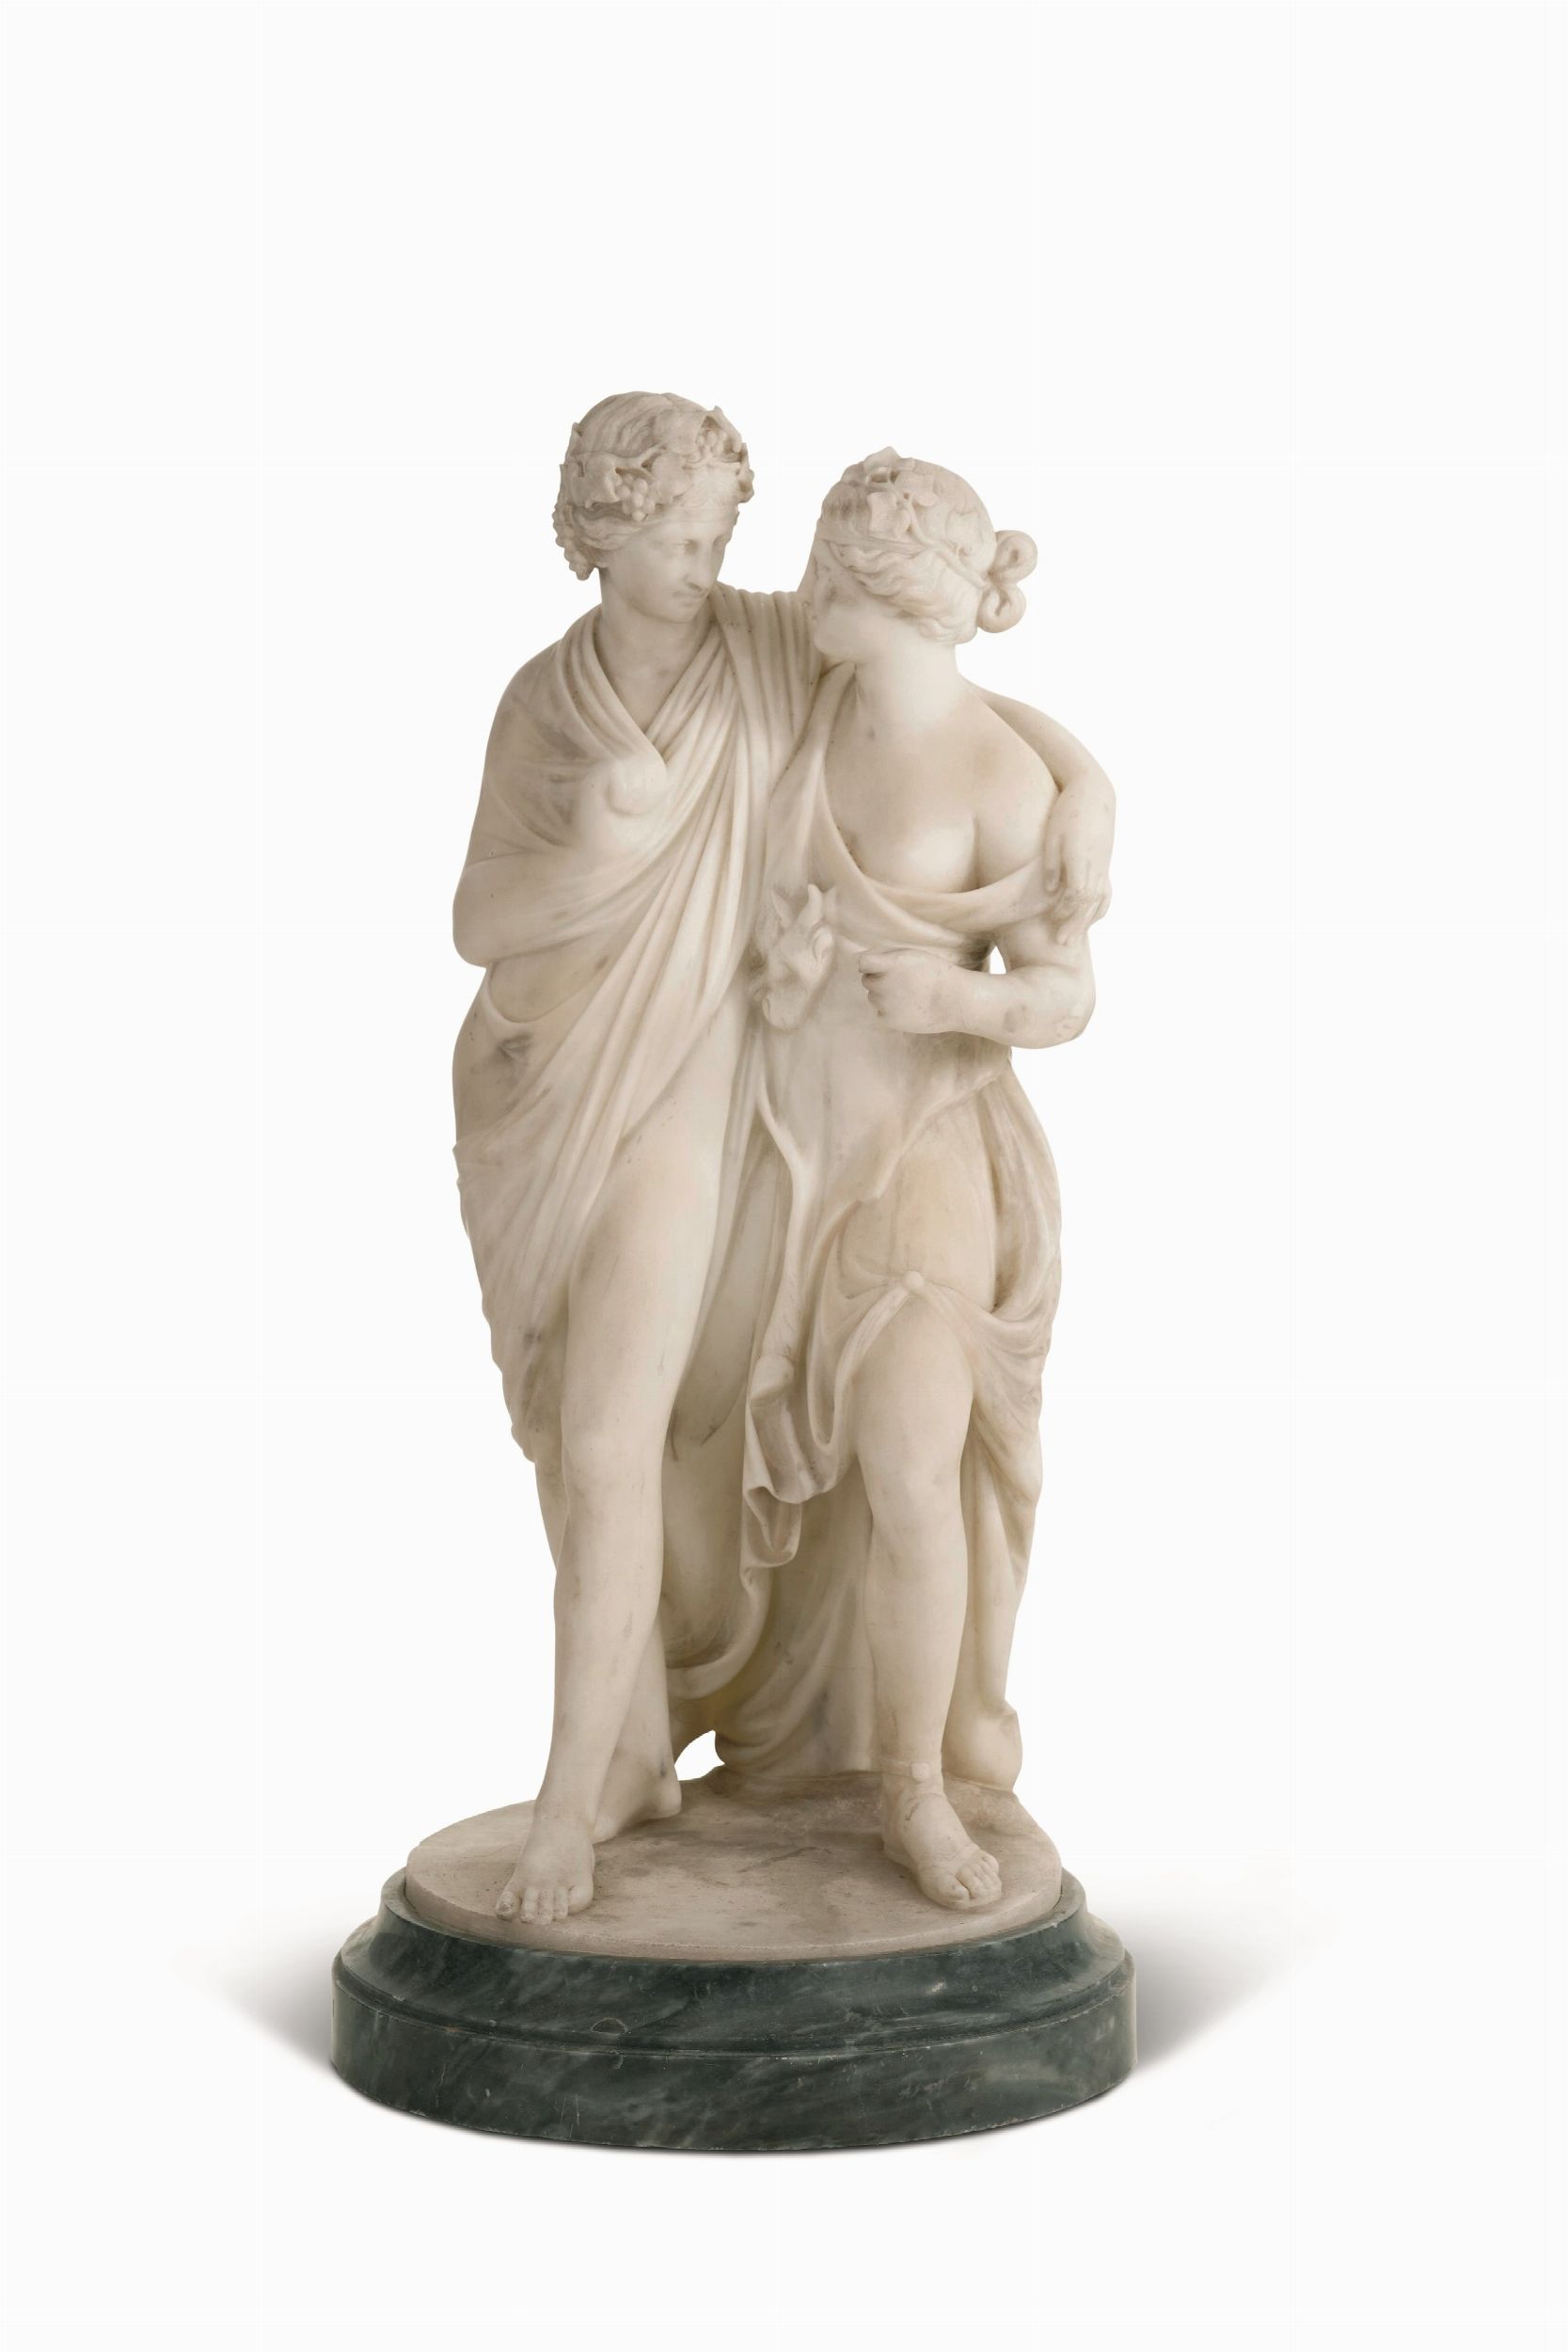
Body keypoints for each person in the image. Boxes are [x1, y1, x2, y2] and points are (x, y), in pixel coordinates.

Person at [453, 401, 1112, 1920]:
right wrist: (605, 856)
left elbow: (956, 696)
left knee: (867, 1462)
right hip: (677, 1126)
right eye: (681, 537)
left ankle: (897, 1785)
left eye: (725, 537)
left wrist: (1089, 796)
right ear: (601, 538)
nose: (720, 565)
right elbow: (480, 919)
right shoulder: (647, 696)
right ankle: (619, 1761)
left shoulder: (799, 669)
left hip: (838, 1140)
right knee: (619, 1446)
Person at [737, 451, 1097, 1909]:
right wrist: (782, 972)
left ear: (885, 588)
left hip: (926, 1151)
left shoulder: (998, 773)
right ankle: (772, 1743)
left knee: (909, 1467)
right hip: (773, 1147)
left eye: (830, 568)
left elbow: (1066, 993)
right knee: (719, 1457)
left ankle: (915, 1786)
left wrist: (959, 1000)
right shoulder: (809, 715)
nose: (805, 590)